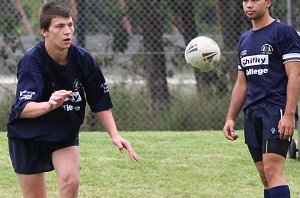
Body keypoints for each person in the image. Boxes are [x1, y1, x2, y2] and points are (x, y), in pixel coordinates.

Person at [7, 2, 140, 198]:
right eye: (59, 26)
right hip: (28, 136)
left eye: (69, 25)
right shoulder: (31, 61)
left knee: (71, 181)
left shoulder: (84, 59)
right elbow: (24, 108)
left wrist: (114, 134)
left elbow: (100, 99)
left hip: (63, 131)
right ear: (44, 31)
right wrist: (49, 105)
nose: (67, 31)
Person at [222, 0, 300, 198]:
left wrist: (289, 114)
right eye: (245, 0)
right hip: (252, 112)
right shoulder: (244, 39)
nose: (249, 4)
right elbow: (242, 83)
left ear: (268, 2)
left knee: (273, 172)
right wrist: (230, 117)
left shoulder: (283, 32)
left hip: (276, 109)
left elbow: (295, 76)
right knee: (265, 176)